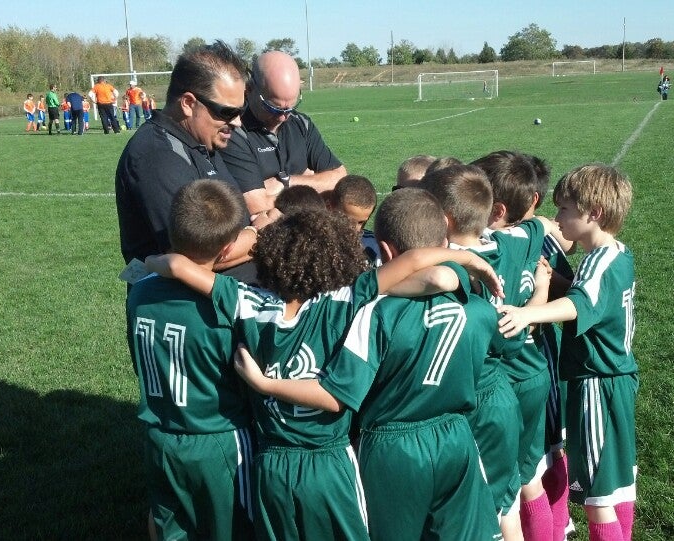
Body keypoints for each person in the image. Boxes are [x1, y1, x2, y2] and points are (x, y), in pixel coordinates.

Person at [146, 194, 503, 541]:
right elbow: (414, 263)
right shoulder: (346, 300)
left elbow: (177, 265)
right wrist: (468, 259)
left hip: (272, 464)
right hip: (329, 463)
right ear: (338, 260)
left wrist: (149, 264)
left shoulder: (247, 302)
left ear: (269, 259)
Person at [497, 163, 638, 541]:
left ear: (594, 214)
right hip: (618, 379)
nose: (557, 219)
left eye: (564, 210)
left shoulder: (597, 260)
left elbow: (577, 305)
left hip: (596, 382)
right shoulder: (618, 255)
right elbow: (587, 291)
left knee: (597, 496)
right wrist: (556, 279)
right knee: (617, 482)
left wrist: (528, 312)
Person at [420, 163, 556, 541]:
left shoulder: (447, 267)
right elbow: (538, 225)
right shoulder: (512, 241)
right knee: (514, 493)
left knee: (485, 509)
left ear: (443, 220)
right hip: (517, 384)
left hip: (480, 395)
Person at [126, 180, 256, 541]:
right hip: (218, 438)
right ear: (229, 247)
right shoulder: (231, 305)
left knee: (171, 525)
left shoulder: (140, 291)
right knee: (234, 529)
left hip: (160, 435)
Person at [473, 150, 577, 540]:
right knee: (530, 475)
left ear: (495, 210)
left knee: (502, 492)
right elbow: (548, 226)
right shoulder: (533, 234)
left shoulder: (480, 249)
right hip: (534, 370)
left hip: (504, 379)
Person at [115, 40, 265, 288]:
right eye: (226, 112)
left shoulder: (203, 142)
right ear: (188, 103)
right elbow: (198, 256)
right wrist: (260, 234)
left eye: (242, 110)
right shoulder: (157, 155)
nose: (237, 122)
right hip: (189, 313)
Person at [221, 50, 347, 217]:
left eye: (291, 107)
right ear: (249, 90)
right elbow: (255, 204)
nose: (284, 117)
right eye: (273, 108)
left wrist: (286, 182)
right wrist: (312, 182)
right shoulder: (233, 132)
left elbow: (340, 180)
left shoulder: (302, 124)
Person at [329, 174, 381, 268]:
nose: (356, 229)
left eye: (361, 222)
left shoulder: (374, 246)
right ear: (331, 208)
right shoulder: (317, 246)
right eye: (348, 221)